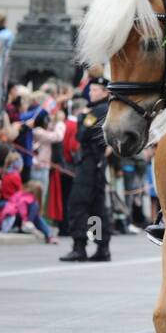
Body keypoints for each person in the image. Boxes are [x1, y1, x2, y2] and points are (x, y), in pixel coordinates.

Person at [59, 81, 111, 262]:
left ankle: (79, 246)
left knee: (78, 204)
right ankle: (101, 247)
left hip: (89, 163)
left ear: (105, 92)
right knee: (96, 207)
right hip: (97, 163)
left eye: (95, 89)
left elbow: (82, 134)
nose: (91, 92)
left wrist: (81, 118)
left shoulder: (96, 111)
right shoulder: (106, 108)